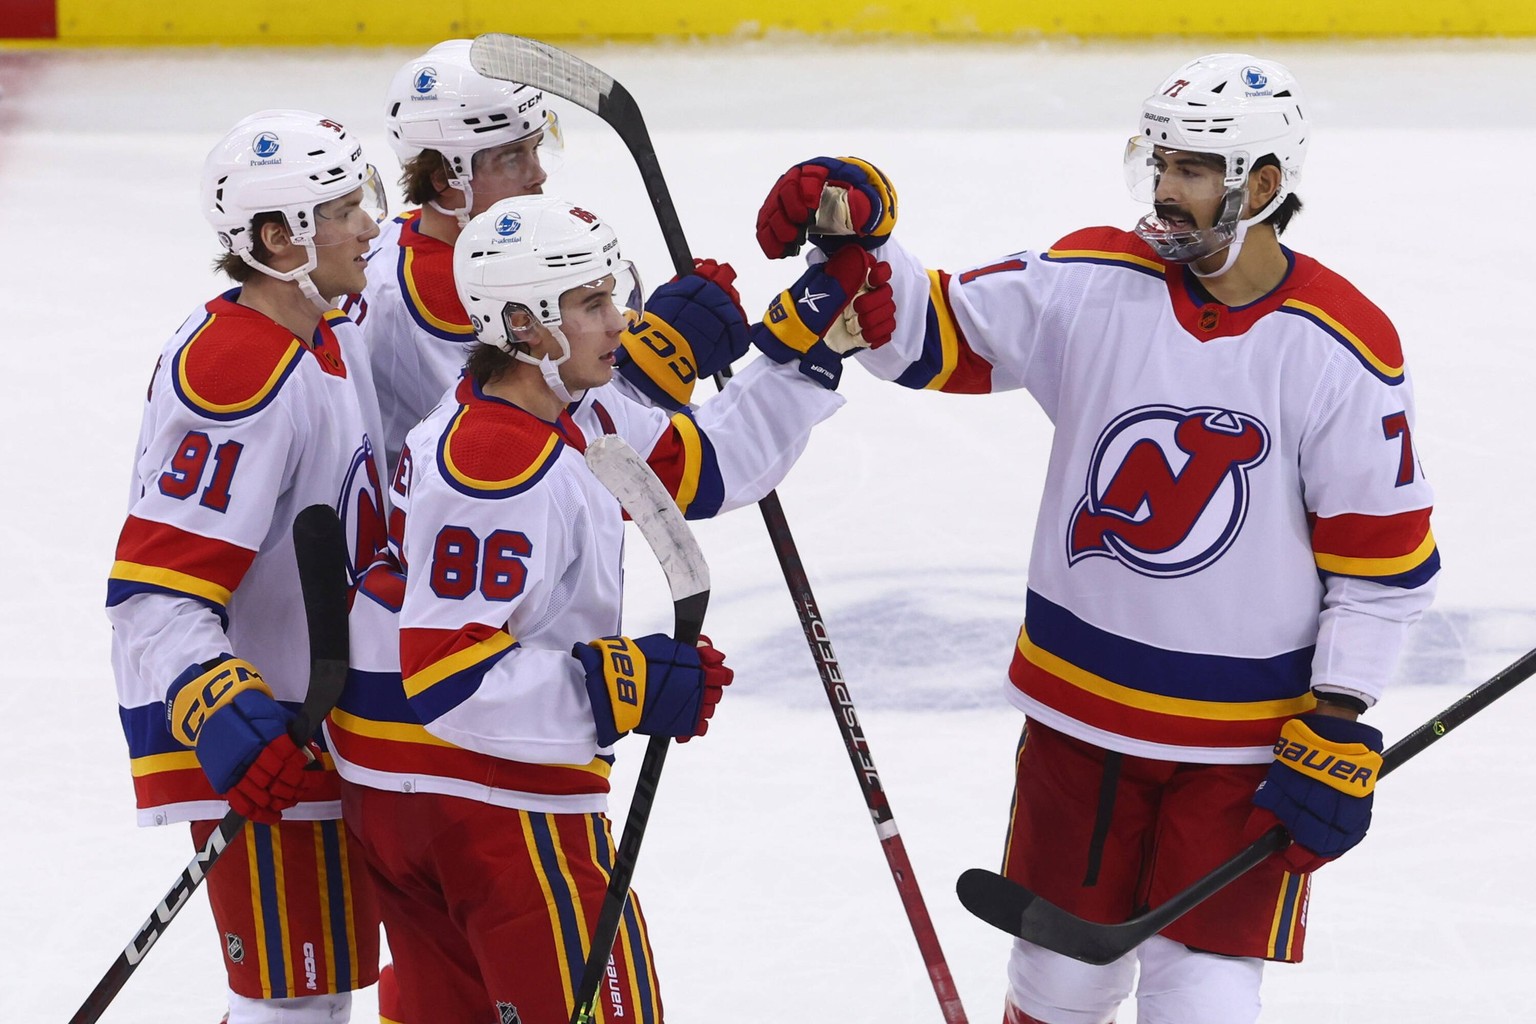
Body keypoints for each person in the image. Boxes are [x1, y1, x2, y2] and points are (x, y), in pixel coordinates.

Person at [754, 54, 1439, 1024]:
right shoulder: (1090, 278)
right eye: (1162, 161)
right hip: (1079, 727)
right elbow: (930, 330)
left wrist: (1336, 718)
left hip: (1239, 753)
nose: (1167, 188)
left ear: (1266, 186)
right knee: (1055, 986)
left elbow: (1382, 569)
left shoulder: (1342, 346)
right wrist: (855, 236)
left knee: (1200, 1000)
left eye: (1196, 169)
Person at [327, 192, 894, 1023]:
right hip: (490, 806)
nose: (622, 324)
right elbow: (449, 678)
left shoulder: (544, 407)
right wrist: (614, 686)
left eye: (613, 294)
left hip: (406, 789)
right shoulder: (497, 463)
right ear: (523, 325)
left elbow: (713, 464)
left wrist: (802, 356)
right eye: (593, 305)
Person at [107, 109, 390, 1024]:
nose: (368, 225)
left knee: (313, 995)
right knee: (296, 1004)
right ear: (278, 239)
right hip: (252, 724)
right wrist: (222, 709)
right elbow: (155, 595)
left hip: (312, 708)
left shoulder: (321, 330)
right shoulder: (238, 367)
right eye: (343, 207)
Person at [356, 38, 746, 480]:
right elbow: (556, 440)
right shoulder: (448, 294)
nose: (537, 174)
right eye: (510, 158)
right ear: (445, 177)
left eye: (536, 147)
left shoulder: (400, 237)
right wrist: (656, 361)